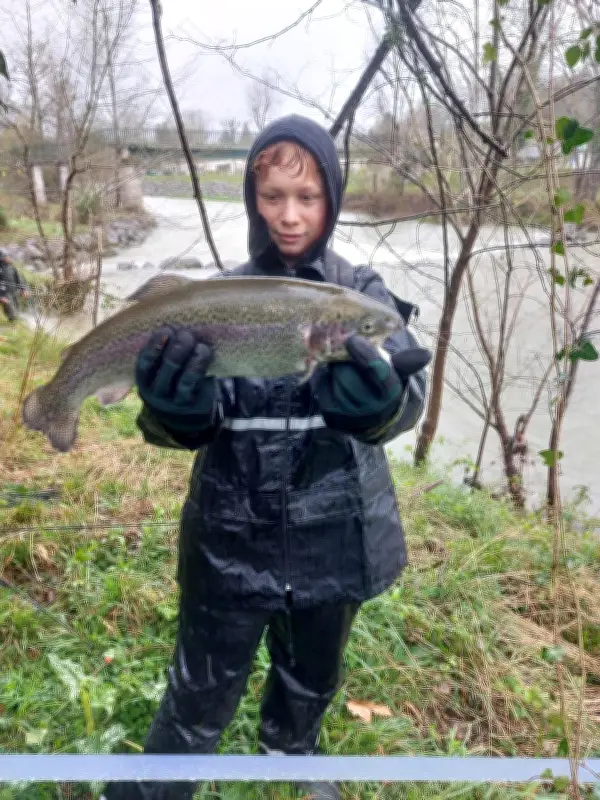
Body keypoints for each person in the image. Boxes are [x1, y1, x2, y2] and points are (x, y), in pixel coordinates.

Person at [103, 115, 430, 800]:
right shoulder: (216, 299)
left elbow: (408, 398)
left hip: (337, 537)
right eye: (273, 196)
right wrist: (176, 412)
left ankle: (292, 755)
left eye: (307, 197)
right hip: (229, 538)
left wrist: (380, 408)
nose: (289, 215)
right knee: (196, 694)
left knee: (311, 678)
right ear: (253, 200)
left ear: (332, 199)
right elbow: (183, 429)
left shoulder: (362, 296)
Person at [0, 249, 29, 323]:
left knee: (17, 310)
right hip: (4, 294)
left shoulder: (12, 267)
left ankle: (15, 322)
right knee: (12, 314)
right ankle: (12, 322)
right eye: (6, 256)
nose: (9, 258)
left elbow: (19, 279)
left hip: (14, 292)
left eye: (9, 256)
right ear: (2, 258)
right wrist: (1, 297)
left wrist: (23, 289)